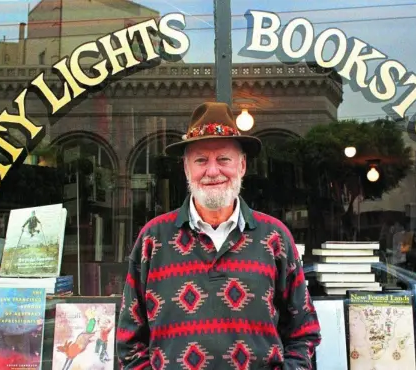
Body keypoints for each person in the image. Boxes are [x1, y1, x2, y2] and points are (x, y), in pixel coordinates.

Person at [116, 102, 321, 369]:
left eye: (223, 159)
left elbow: (303, 334)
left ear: (242, 165)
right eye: (201, 160)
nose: (213, 171)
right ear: (187, 169)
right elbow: (129, 343)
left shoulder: (276, 238)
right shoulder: (152, 239)